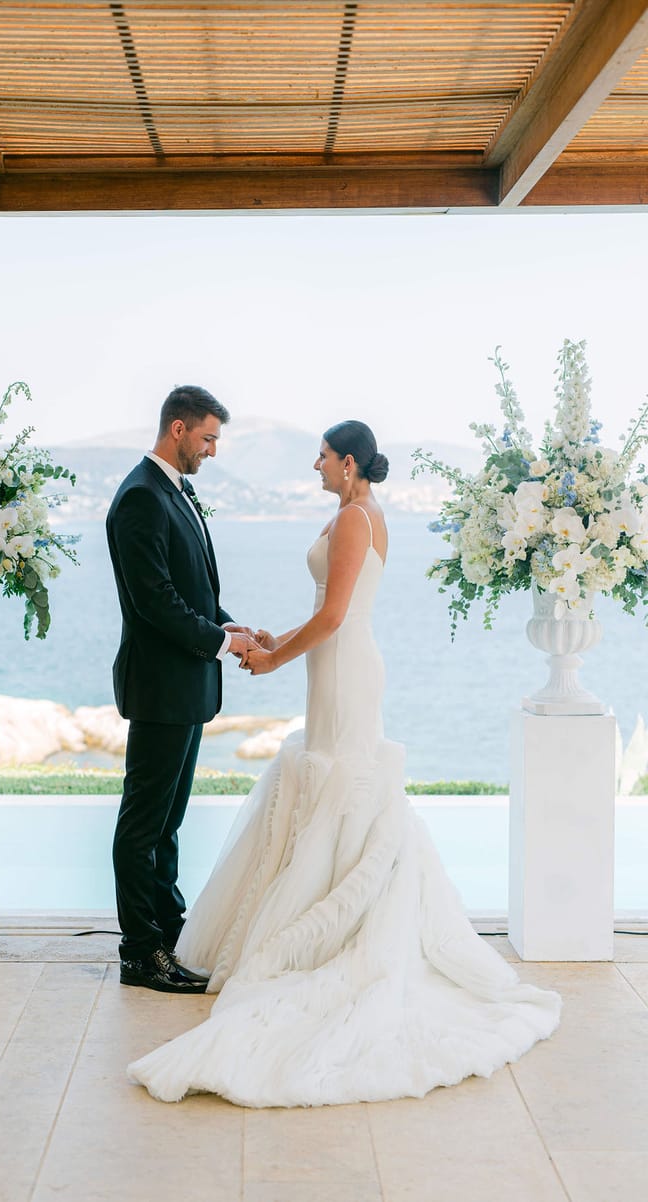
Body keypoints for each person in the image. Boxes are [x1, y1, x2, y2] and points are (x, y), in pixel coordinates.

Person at [127, 419, 561, 1106]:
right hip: (328, 667)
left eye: (324, 457)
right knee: (320, 782)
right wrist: (272, 637)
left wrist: (272, 658)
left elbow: (335, 618)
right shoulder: (347, 512)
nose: (315, 466)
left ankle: (341, 937)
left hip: (347, 670)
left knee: (346, 787)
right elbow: (323, 614)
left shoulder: (359, 518)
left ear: (350, 463)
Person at [106, 385, 257, 995]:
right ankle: (140, 952)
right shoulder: (142, 497)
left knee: (167, 823)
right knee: (143, 825)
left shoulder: (172, 491)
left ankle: (170, 933)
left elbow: (191, 590)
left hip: (185, 684)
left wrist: (229, 626)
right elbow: (156, 604)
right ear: (178, 430)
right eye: (208, 438)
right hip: (162, 686)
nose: (213, 450)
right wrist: (221, 645)